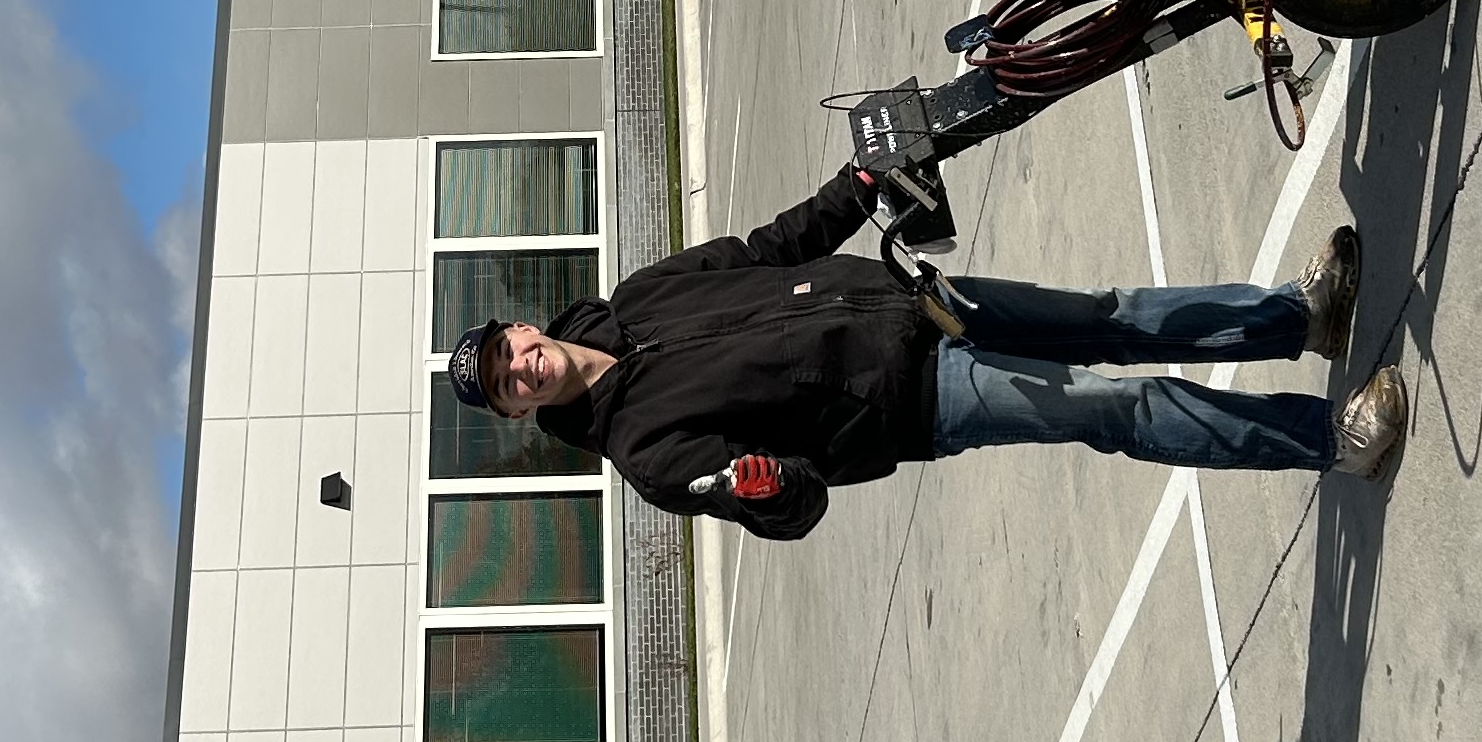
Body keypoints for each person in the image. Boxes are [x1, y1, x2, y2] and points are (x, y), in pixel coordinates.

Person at [443, 163, 1405, 537]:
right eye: (506, 388)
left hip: (908, 299)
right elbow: (785, 501)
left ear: (524, 329)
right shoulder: (645, 454)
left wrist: (857, 187)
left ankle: (1291, 320)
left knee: (1110, 313)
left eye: (507, 351)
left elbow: (767, 250)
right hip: (914, 400)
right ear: (524, 414)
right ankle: (1333, 441)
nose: (520, 368)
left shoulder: (635, 296)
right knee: (1115, 404)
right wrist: (765, 485)